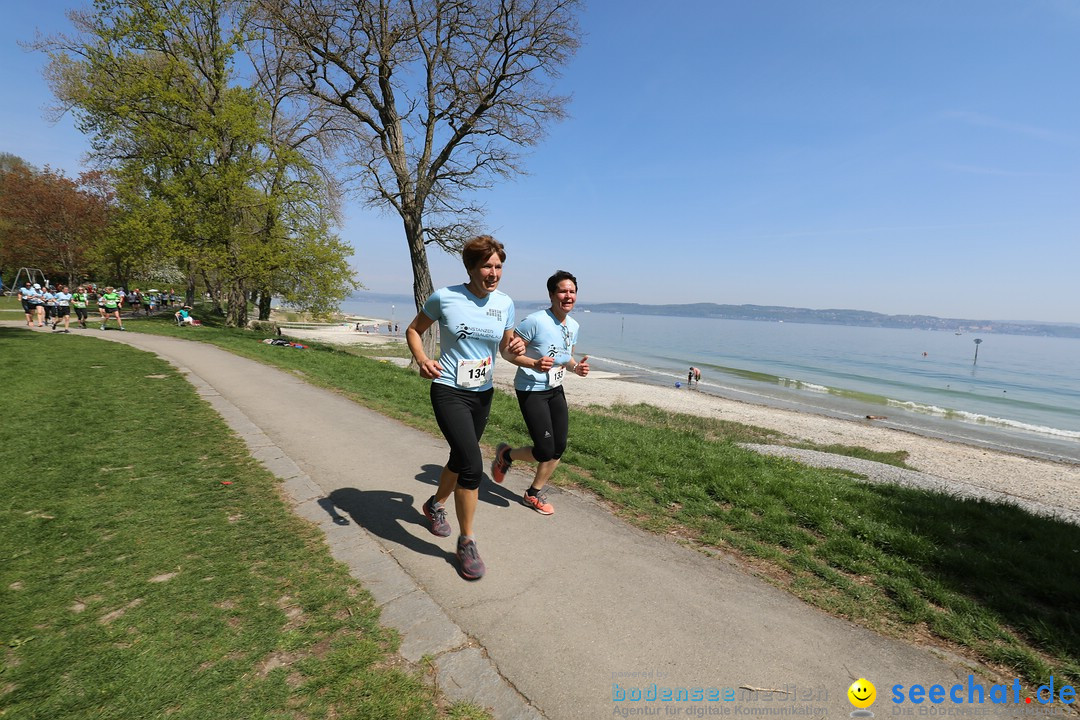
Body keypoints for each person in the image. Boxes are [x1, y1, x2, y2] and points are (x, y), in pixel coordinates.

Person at [406, 235, 525, 580]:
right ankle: (467, 541)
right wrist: (422, 358)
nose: (493, 273)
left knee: (459, 459)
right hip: (448, 390)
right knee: (472, 465)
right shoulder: (445, 297)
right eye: (486, 266)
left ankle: (434, 505)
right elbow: (414, 330)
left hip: (482, 394)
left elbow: (506, 349)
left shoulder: (504, 304)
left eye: (498, 266)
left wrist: (523, 354)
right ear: (471, 267)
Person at [491, 270, 589, 515]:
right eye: (563, 291)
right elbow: (508, 353)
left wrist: (577, 367)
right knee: (544, 450)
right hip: (531, 390)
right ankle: (507, 455)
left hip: (555, 389)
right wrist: (533, 363)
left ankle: (532, 494)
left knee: (558, 448)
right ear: (552, 294)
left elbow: (566, 358)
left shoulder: (574, 325)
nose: (568, 296)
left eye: (572, 291)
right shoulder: (535, 321)